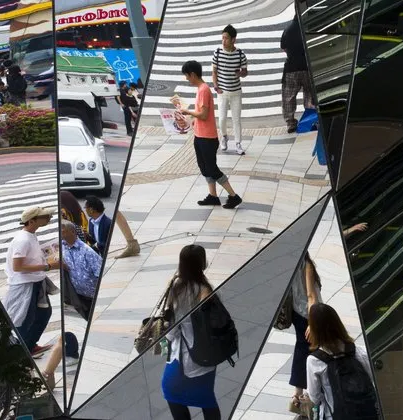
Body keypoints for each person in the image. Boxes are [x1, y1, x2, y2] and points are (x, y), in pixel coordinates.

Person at [162, 245, 221, 420]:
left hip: (184, 359)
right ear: (202, 264)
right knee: (208, 401)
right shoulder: (207, 289)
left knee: (170, 392)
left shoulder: (177, 289)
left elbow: (171, 333)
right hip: (208, 359)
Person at [180, 60, 242, 209]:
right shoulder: (201, 89)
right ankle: (213, 196)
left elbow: (203, 114)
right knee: (204, 168)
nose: (187, 79)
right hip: (200, 136)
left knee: (212, 169)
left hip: (207, 138)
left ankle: (234, 196)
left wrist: (187, 111)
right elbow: (200, 117)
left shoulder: (203, 90)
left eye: (187, 76)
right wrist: (190, 121)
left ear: (193, 74)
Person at [3, 207, 59, 357]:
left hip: (36, 282)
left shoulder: (30, 235)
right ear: (31, 221)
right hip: (25, 285)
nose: (49, 217)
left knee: (43, 314)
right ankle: (19, 352)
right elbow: (18, 266)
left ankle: (29, 346)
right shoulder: (23, 240)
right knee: (24, 319)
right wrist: (47, 266)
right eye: (44, 216)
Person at [306, 303, 376, 419]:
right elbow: (371, 377)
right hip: (368, 413)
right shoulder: (357, 351)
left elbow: (314, 397)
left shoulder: (315, 360)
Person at [288, 253, 322, 415]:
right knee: (316, 352)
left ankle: (298, 393)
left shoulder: (291, 262)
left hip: (296, 313)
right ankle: (310, 397)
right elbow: (311, 296)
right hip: (308, 315)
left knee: (302, 349)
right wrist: (313, 321)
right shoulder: (306, 265)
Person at [212, 24, 247, 155]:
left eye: (226, 38)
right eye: (222, 38)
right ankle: (225, 137)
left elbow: (245, 72)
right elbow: (214, 71)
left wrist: (241, 73)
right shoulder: (218, 52)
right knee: (221, 119)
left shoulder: (240, 54)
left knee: (236, 119)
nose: (223, 41)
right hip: (222, 92)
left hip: (236, 92)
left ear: (233, 40)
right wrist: (215, 85)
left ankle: (238, 143)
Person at [61, 220, 102, 321]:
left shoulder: (87, 251)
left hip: (93, 297)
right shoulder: (62, 247)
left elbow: (100, 272)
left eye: (63, 231)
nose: (61, 234)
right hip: (78, 296)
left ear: (73, 232)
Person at [281, 12, 314, 133]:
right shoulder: (308, 28)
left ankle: (290, 123)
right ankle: (310, 119)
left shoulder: (288, 30)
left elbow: (283, 47)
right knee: (310, 94)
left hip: (291, 68)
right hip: (307, 66)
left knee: (289, 97)